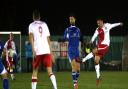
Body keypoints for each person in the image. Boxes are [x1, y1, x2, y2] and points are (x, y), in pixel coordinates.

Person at [82, 18, 123, 86]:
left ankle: (83, 59)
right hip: (101, 46)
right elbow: (94, 36)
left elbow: (113, 25)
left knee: (94, 51)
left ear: (102, 22)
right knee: (96, 60)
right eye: (97, 23)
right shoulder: (97, 29)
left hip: (105, 45)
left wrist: (119, 23)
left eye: (99, 23)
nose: (98, 24)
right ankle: (98, 77)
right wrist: (90, 41)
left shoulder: (107, 25)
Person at [29, 10, 57, 89]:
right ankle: (55, 87)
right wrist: (51, 53)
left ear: (33, 17)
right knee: (50, 71)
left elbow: (31, 37)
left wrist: (33, 49)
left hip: (38, 51)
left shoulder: (31, 25)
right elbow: (48, 39)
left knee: (35, 71)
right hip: (46, 50)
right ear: (39, 17)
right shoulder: (44, 24)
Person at [64, 14, 81, 89]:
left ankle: (75, 80)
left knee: (78, 69)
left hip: (77, 50)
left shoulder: (78, 30)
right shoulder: (67, 30)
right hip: (71, 50)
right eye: (70, 19)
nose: (71, 20)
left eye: (72, 19)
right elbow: (65, 39)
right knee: (73, 66)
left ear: (75, 19)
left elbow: (79, 39)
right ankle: (75, 84)